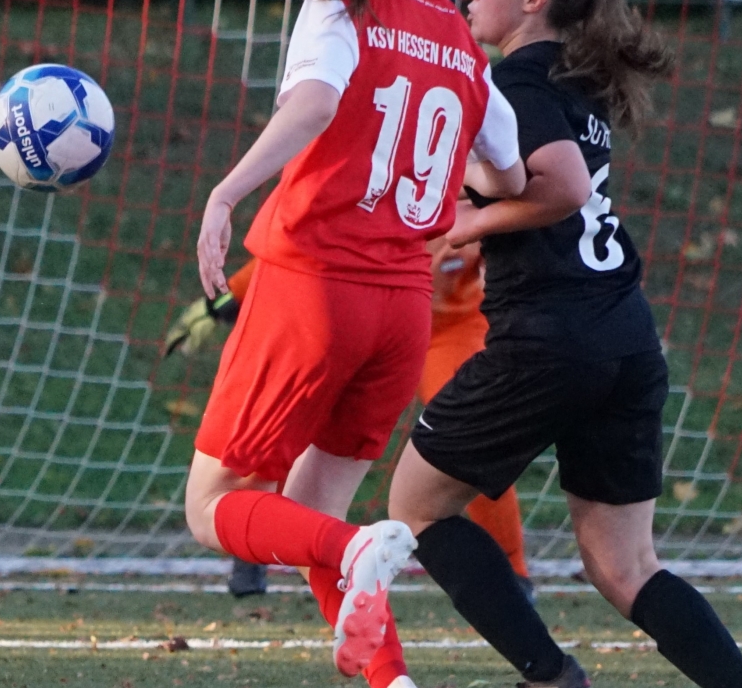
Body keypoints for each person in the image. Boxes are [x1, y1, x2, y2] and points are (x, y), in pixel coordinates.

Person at [387, 0, 742, 688]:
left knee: (416, 507)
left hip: (550, 337)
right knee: (623, 564)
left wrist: (464, 225)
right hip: (624, 337)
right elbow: (554, 183)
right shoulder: (572, 84)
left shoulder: (518, 82)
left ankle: (546, 674)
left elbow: (565, 189)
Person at [181, 0, 526, 688]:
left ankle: (362, 549)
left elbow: (314, 102)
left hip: (314, 287)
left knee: (213, 508)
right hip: (403, 308)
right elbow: (507, 174)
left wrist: (228, 191)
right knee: (311, 510)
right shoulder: (462, 45)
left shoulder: (343, 0)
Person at [165, 246, 532, 601]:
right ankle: (259, 552)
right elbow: (308, 236)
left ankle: (513, 574)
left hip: (443, 323)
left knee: (470, 443)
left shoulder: (476, 211)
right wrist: (231, 293)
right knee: (292, 430)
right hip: (367, 309)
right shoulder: (379, 213)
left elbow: (521, 218)